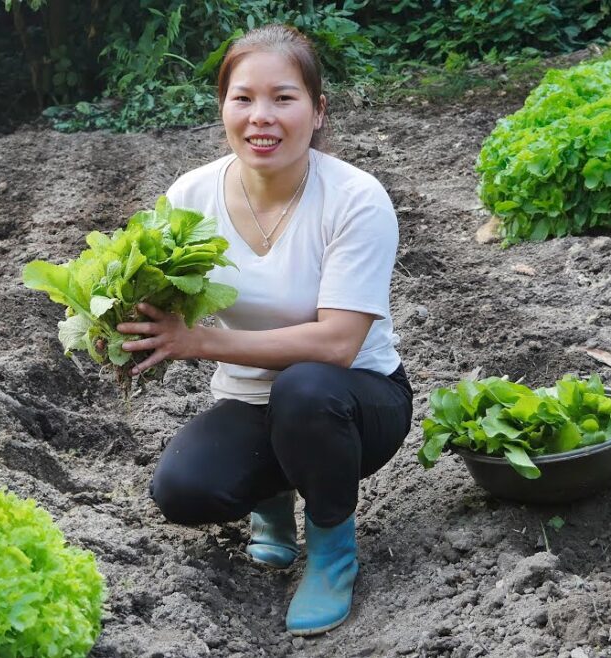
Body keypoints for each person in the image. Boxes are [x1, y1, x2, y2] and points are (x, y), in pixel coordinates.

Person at [116, 23, 412, 637]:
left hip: (353, 401)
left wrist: (201, 342)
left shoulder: (355, 198)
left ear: (317, 109)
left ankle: (331, 548)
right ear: (223, 107)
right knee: (182, 489)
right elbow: (163, 306)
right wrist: (121, 326)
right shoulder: (191, 196)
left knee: (305, 388)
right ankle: (272, 502)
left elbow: (338, 344)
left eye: (284, 98)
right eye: (243, 98)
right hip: (250, 400)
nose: (262, 118)